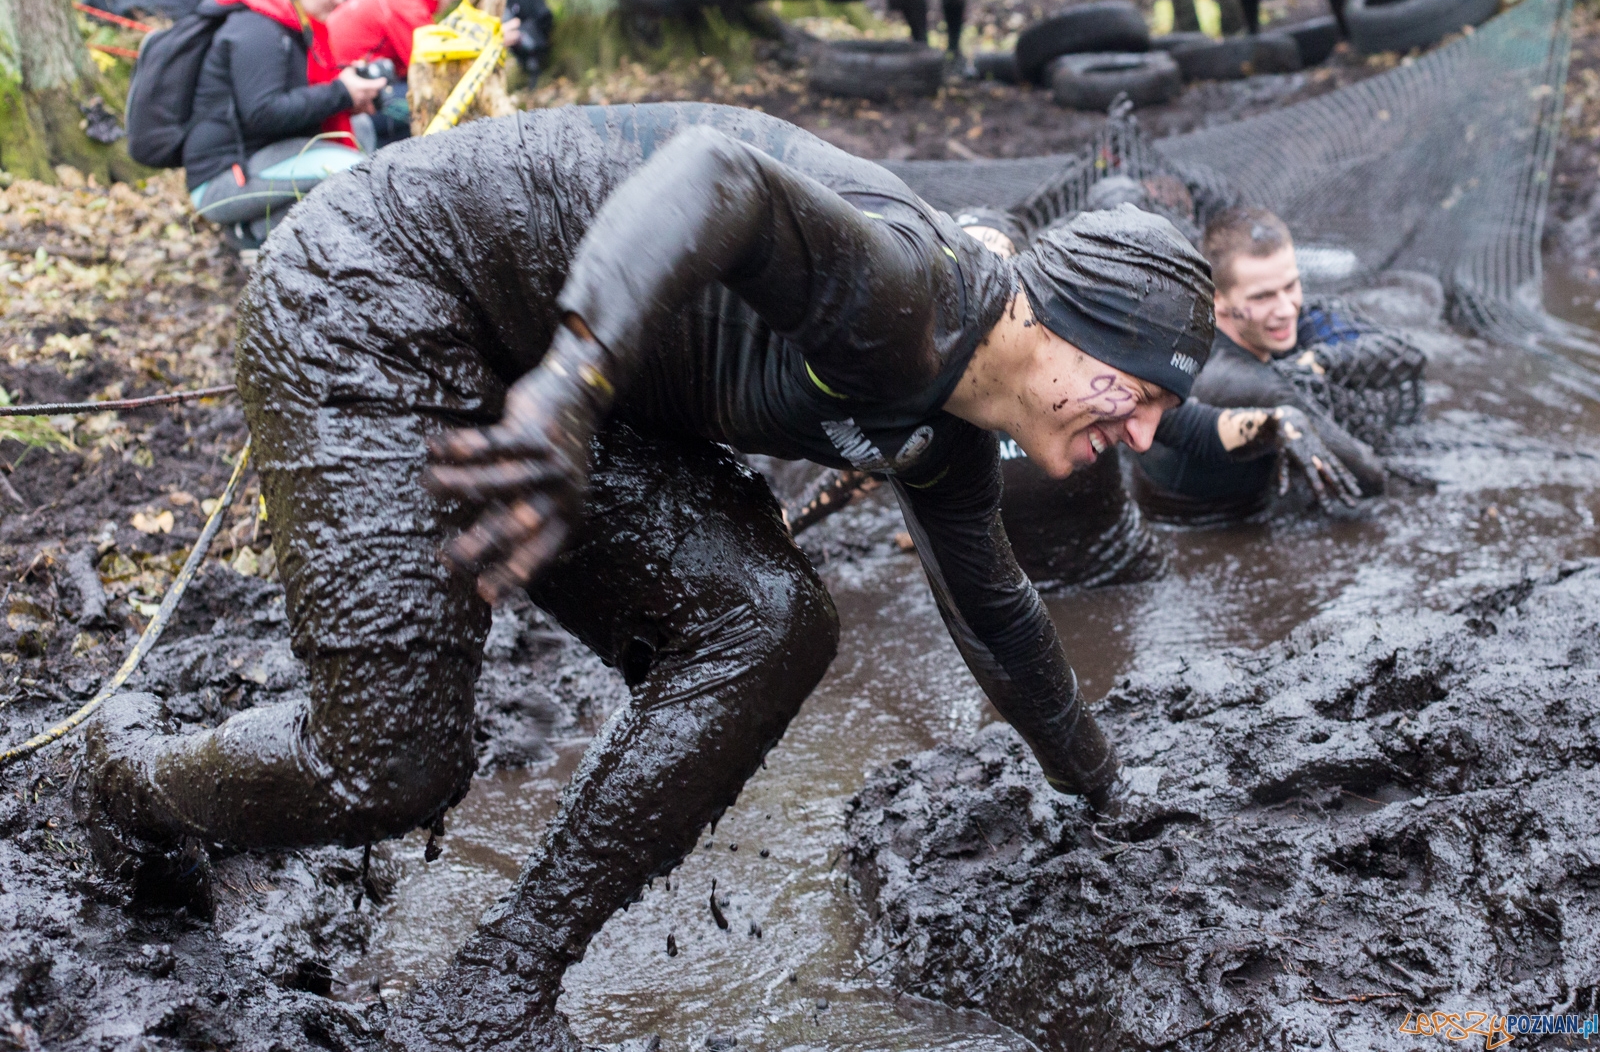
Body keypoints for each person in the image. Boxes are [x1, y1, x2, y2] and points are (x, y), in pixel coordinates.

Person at [78, 103, 1213, 1049]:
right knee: (381, 768)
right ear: (1062, 326)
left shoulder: (946, 431)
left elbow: (996, 613)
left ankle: (500, 982)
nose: (1147, 433)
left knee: (771, 620)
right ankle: (123, 775)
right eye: (1141, 392)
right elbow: (718, 173)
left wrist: (1102, 792)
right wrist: (569, 384)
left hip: (558, 372)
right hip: (378, 288)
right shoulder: (907, 288)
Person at [1136, 206, 1386, 519]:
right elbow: (1368, 475)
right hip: (1212, 526)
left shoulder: (1198, 327)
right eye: (1262, 297)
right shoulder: (1253, 385)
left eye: (1291, 286)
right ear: (1216, 298)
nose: (1286, 309)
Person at [185, 0, 386, 250]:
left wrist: (349, 97)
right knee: (356, 172)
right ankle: (254, 233)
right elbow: (262, 113)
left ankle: (270, 228)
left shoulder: (288, 21)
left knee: (360, 128)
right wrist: (340, 93)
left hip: (264, 154)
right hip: (223, 178)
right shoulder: (257, 28)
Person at [327, 0, 533, 150]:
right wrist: (491, 40)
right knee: (438, 108)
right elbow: (438, 68)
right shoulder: (402, 3)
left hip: (342, 99)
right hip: (346, 112)